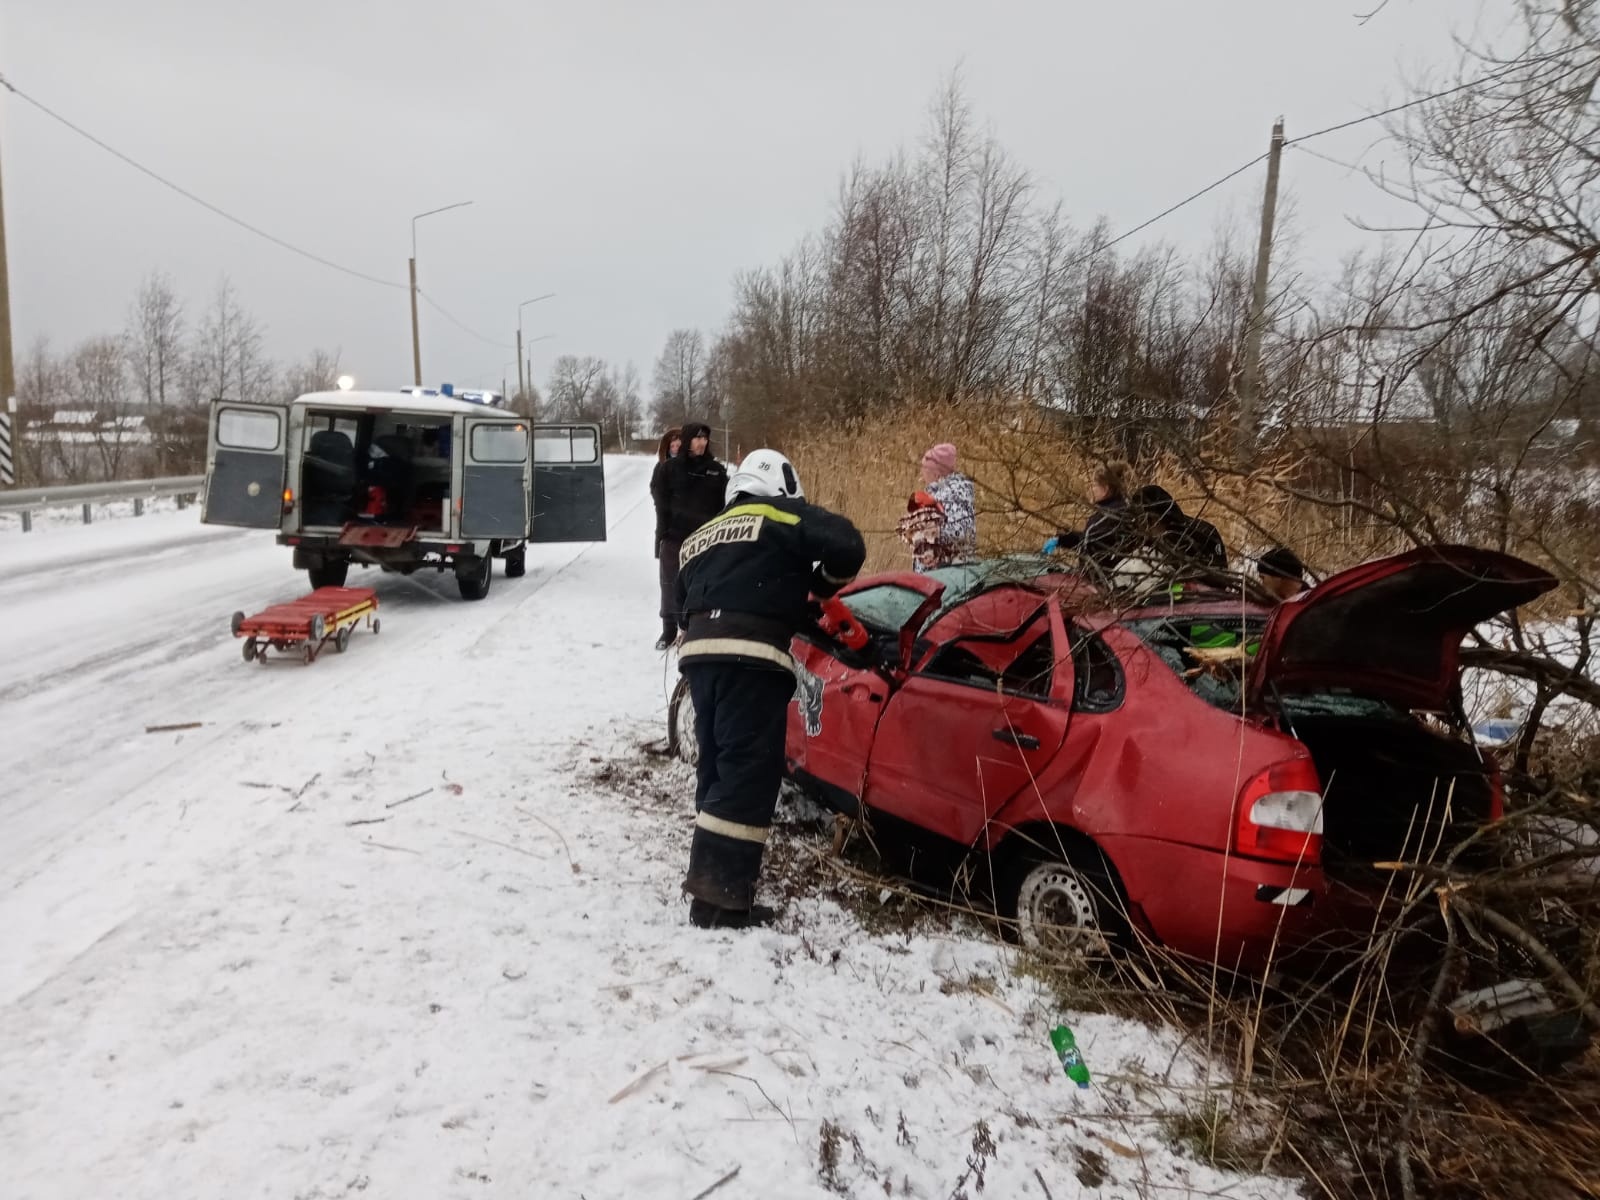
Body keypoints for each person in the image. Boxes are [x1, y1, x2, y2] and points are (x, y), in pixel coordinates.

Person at [675, 448, 866, 929]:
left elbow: (684, 598)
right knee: (749, 770)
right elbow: (847, 545)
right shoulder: (777, 511)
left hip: (699, 657)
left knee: (717, 764)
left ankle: (709, 885)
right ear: (780, 486)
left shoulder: (701, 534)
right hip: (751, 657)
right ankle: (722, 898)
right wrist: (820, 587)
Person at [653, 422, 726, 650]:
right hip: (675, 538)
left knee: (702, 585)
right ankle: (669, 631)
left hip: (706, 539)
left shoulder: (716, 470)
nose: (702, 442)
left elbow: (724, 506)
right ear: (686, 440)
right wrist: (662, 537)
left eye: (705, 438)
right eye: (697, 438)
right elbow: (661, 505)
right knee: (670, 584)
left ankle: (698, 629)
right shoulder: (669, 469)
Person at [1043, 460, 1135, 572]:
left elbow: (1091, 542)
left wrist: (1062, 540)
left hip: (1101, 579)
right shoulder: (1109, 510)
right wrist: (1061, 539)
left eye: (1095, 485)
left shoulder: (1113, 514)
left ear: (1105, 489)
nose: (1091, 489)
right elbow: (1090, 538)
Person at [905, 442, 975, 572]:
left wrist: (921, 532)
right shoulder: (940, 496)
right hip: (939, 576)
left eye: (925, 469)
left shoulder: (953, 496)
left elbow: (958, 532)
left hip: (948, 578)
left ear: (937, 474)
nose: (921, 473)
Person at [1131, 484, 1228, 573]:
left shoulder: (1202, 533)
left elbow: (1220, 575)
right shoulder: (1144, 542)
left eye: (1143, 521)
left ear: (1155, 519)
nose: (1141, 528)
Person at [649, 427, 683, 642]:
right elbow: (656, 493)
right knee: (668, 581)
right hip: (669, 532)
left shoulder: (693, 469)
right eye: (672, 443)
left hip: (691, 530)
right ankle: (668, 628)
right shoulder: (660, 468)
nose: (676, 446)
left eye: (679, 442)